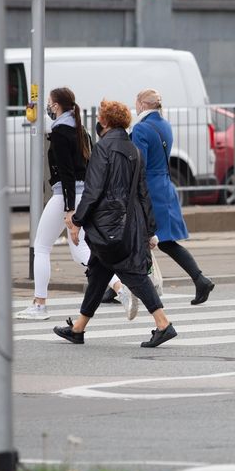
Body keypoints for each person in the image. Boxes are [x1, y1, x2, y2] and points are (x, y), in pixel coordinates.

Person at [53, 99, 176, 348]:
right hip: (129, 224)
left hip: (106, 227)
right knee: (98, 275)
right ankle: (78, 328)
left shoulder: (103, 149)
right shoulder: (134, 150)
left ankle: (163, 324)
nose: (98, 119)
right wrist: (150, 229)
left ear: (106, 121)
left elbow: (93, 190)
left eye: (100, 116)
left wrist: (77, 220)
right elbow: (143, 193)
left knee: (135, 275)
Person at [16, 87, 134, 322]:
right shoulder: (79, 128)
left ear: (57, 106)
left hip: (65, 197)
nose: (48, 107)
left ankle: (39, 305)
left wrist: (70, 211)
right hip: (82, 195)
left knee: (41, 247)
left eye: (49, 103)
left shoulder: (60, 132)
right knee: (81, 251)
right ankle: (121, 289)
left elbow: (67, 174)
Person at [130, 89, 215, 305]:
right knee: (165, 242)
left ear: (141, 104)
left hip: (149, 189)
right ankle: (200, 279)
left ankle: (121, 288)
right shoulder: (165, 124)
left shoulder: (141, 128)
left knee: (138, 239)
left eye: (136, 103)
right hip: (165, 186)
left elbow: (140, 165)